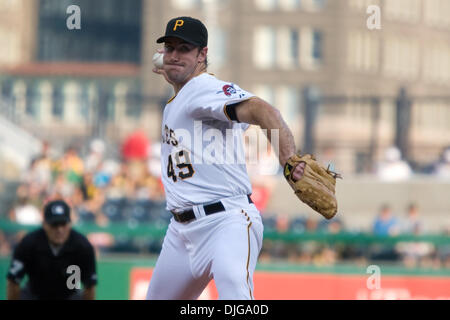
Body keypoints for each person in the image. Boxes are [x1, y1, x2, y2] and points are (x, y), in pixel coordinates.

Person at [146, 16, 305, 300]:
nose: (174, 55)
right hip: (181, 232)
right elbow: (176, 70)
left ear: (203, 54)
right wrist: (172, 65)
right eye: (169, 48)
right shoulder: (183, 94)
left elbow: (263, 111)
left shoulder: (201, 88)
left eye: (184, 49)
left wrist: (289, 159)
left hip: (225, 221)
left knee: (235, 297)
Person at [6, 200, 97, 300]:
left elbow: (90, 286)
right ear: (44, 224)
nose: (59, 229)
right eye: (54, 224)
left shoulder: (82, 246)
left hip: (69, 295)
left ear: (70, 224)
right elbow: (13, 281)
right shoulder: (29, 244)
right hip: (35, 295)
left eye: (63, 224)